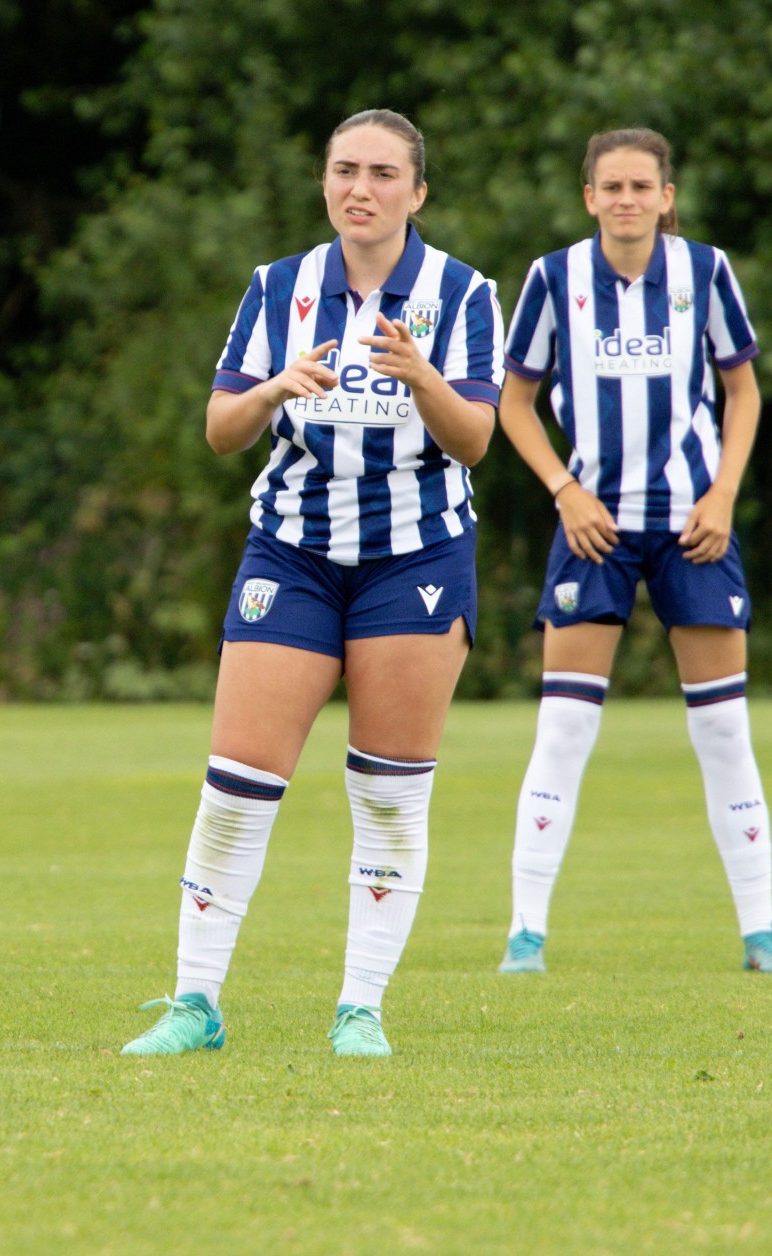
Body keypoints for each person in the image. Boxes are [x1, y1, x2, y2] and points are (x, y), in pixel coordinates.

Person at [121, 109, 505, 1057]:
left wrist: (422, 378)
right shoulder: (278, 287)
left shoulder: (462, 295)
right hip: (291, 552)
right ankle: (194, 1004)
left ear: (416, 192)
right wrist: (268, 391)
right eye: (344, 170)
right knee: (236, 786)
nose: (359, 189)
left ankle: (359, 1009)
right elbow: (220, 431)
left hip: (415, 559)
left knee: (386, 792)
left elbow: (475, 440)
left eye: (381, 173)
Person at [494, 127, 772, 976]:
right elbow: (513, 403)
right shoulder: (553, 279)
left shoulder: (704, 273)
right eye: (611, 187)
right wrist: (565, 489)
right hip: (592, 528)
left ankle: (761, 932)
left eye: (643, 187)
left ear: (667, 198)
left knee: (723, 731)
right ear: (588, 197)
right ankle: (526, 934)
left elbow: (743, 391)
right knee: (562, 728)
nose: (627, 200)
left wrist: (724, 495)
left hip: (694, 528)